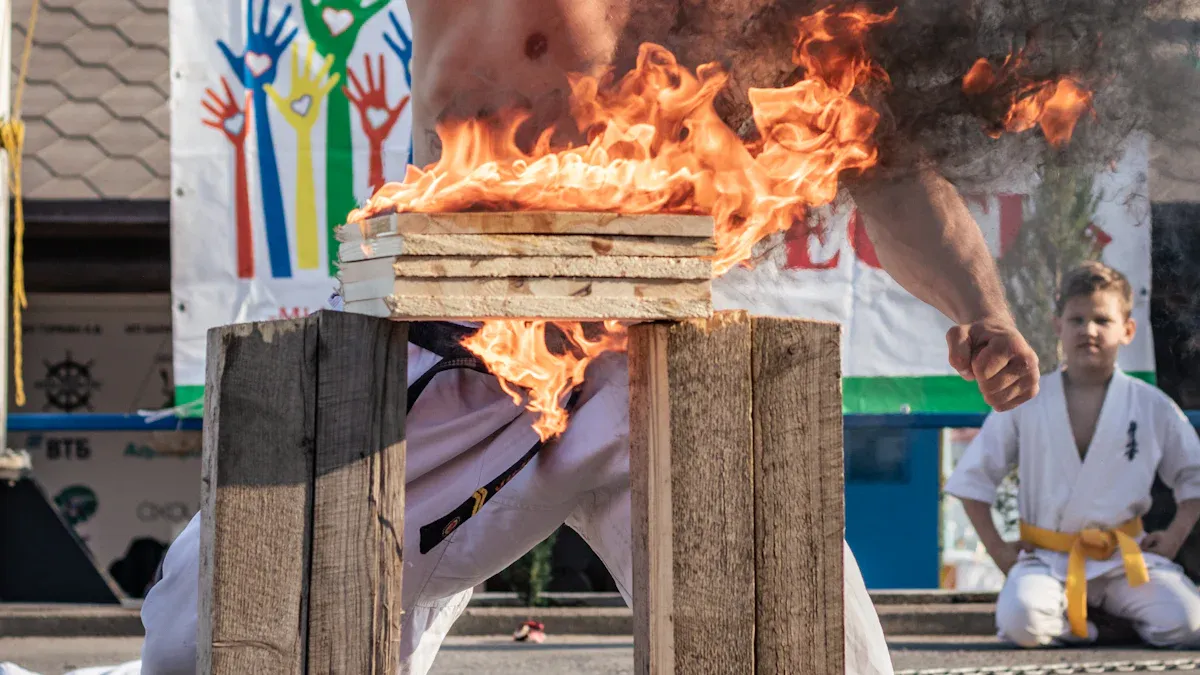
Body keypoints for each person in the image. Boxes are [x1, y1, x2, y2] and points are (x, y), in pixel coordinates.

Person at [139, 4, 1041, 674]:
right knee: (202, 638)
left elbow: (878, 159)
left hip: (646, 356)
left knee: (819, 650)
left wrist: (982, 307)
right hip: (459, 350)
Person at [944, 261, 1200, 649]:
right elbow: (972, 482)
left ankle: (1098, 619)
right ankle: (1103, 629)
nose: (1089, 331)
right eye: (1077, 319)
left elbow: (1194, 476)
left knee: (1187, 622)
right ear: (1057, 326)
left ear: (1127, 330)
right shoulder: (1026, 402)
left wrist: (1174, 536)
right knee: (1022, 621)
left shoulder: (1152, 405)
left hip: (1123, 559)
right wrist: (999, 550)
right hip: (1048, 559)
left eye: (1102, 320)